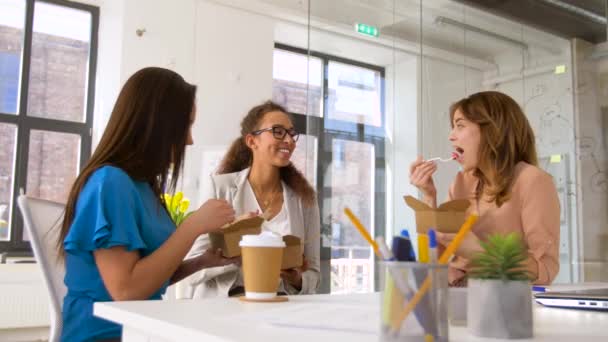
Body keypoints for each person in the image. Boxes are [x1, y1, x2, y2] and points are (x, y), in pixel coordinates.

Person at [58, 67, 237, 342]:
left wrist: (201, 262)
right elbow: (127, 291)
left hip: (141, 329)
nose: (190, 140)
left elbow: (148, 279)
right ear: (157, 124)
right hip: (104, 334)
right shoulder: (111, 182)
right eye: (185, 126)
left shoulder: (141, 186)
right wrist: (192, 226)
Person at [409, 91, 560, 286]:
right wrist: (428, 196)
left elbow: (545, 271)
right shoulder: (461, 182)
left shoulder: (533, 180)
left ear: (493, 130)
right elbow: (431, 261)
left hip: (504, 303)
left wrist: (479, 252)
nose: (451, 136)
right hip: (457, 296)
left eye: (460, 126)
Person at [180, 100, 320, 298]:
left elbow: (314, 273)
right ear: (252, 141)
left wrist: (296, 280)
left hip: (280, 308)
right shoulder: (219, 188)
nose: (289, 140)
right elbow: (192, 269)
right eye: (278, 131)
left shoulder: (305, 199)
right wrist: (234, 242)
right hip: (224, 308)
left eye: (291, 133)